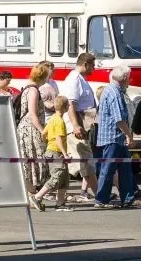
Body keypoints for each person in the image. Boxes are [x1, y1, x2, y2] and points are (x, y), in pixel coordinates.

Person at [94, 65, 136, 209]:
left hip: (116, 137)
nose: (130, 80)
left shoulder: (113, 90)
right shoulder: (114, 93)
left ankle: (128, 197)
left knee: (125, 167)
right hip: (113, 137)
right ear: (124, 78)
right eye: (129, 77)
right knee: (108, 168)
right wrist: (129, 135)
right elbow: (119, 119)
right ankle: (101, 200)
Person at [62, 53, 99, 201]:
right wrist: (76, 126)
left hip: (84, 125)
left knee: (85, 163)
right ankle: (99, 196)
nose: (94, 69)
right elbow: (71, 104)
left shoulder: (81, 79)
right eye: (92, 66)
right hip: (76, 126)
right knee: (85, 162)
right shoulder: (74, 79)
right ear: (85, 64)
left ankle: (99, 195)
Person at [30, 96, 73, 212]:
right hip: (57, 152)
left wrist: (47, 143)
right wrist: (65, 154)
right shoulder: (59, 121)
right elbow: (59, 138)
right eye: (68, 105)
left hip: (51, 150)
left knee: (64, 179)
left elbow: (43, 133)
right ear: (65, 108)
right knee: (57, 177)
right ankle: (37, 196)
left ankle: (60, 203)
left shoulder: (53, 118)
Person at [18, 64, 50, 197]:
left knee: (30, 160)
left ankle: (32, 191)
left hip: (26, 127)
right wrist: (43, 130)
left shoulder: (27, 88)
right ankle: (31, 192)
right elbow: (32, 114)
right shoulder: (33, 90)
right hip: (30, 129)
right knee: (35, 158)